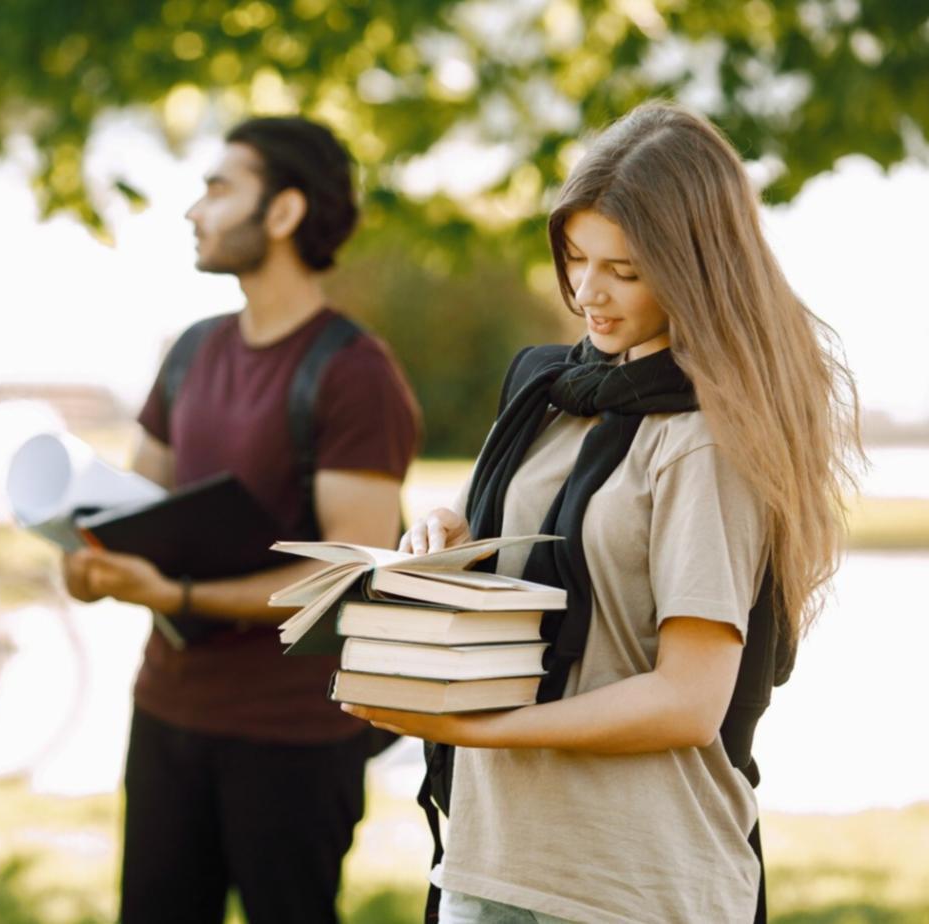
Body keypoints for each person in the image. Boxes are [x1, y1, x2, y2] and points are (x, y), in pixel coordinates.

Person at [345, 101, 862, 923]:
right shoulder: (549, 391)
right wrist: (450, 533)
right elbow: (535, 527)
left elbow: (688, 700)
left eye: (622, 270)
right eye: (575, 257)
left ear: (694, 269)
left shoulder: (703, 437)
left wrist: (480, 727)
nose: (587, 292)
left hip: (631, 881)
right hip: (489, 858)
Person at [62, 116, 422, 924]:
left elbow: (348, 578)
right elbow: (135, 512)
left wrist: (180, 594)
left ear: (285, 212)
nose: (195, 209)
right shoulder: (191, 350)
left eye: (219, 188)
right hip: (165, 716)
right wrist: (86, 559)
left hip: (291, 740)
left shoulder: (353, 374)